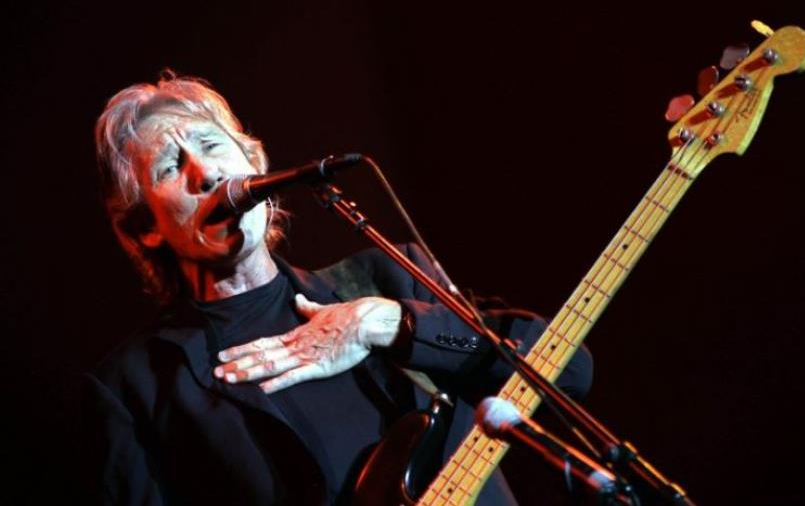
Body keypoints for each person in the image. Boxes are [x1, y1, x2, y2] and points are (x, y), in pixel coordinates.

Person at [84, 72, 594, 505]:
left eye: (213, 146)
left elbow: (569, 369)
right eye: (172, 168)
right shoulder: (137, 388)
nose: (208, 172)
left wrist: (393, 324)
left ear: (256, 166)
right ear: (144, 228)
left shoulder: (384, 279)